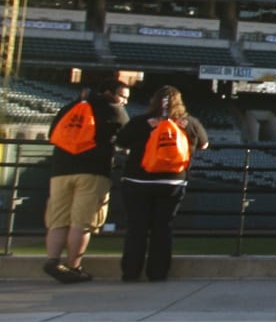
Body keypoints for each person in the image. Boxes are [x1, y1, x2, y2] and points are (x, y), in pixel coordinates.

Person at [111, 86, 211, 283]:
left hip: (137, 180)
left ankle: (131, 272)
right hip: (172, 181)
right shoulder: (188, 122)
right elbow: (204, 144)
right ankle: (158, 272)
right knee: (163, 227)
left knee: (136, 228)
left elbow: (121, 141)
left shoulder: (140, 122)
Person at [41, 77, 131, 283]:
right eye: (122, 96)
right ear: (109, 93)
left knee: (57, 221)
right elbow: (127, 137)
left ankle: (53, 260)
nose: (124, 101)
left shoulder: (72, 106)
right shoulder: (113, 109)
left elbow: (52, 133)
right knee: (82, 223)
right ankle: (74, 267)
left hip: (61, 170)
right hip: (93, 170)